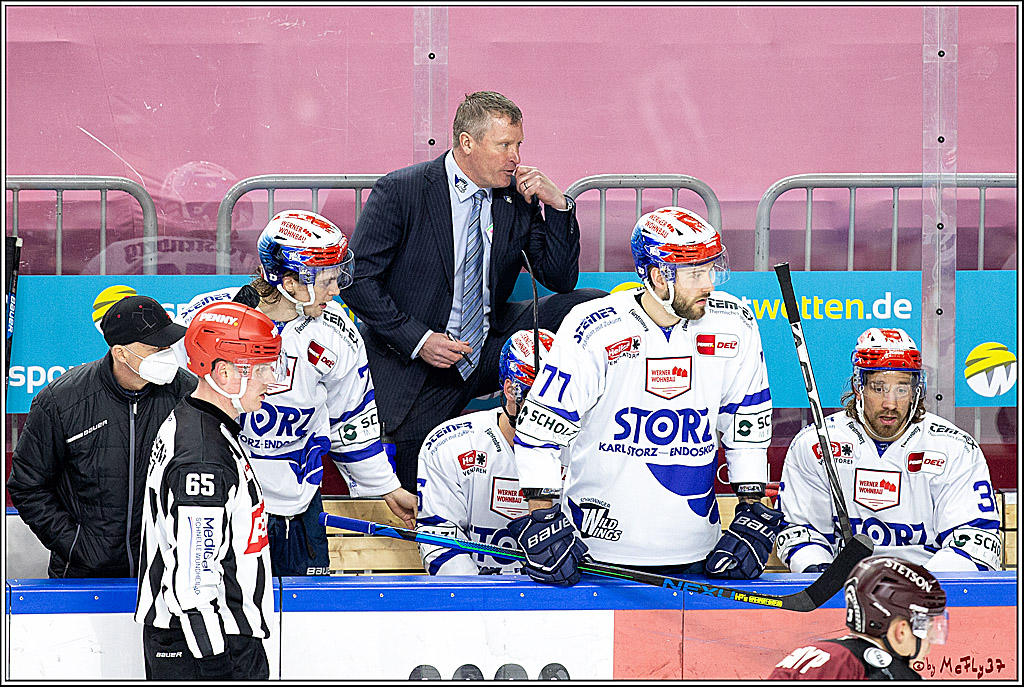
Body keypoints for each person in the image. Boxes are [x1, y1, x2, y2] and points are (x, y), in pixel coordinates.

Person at [342, 90, 606, 494]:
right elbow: (358, 281)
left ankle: (597, 415)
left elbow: (559, 278)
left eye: (518, 145)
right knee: (418, 481)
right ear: (467, 143)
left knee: (588, 306)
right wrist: (420, 341)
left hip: (488, 342)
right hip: (423, 355)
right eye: (504, 145)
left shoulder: (514, 199)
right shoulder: (402, 191)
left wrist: (559, 207)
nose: (516, 157)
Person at [509, 206, 780, 586]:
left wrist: (752, 507)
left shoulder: (735, 322)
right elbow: (540, 431)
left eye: (710, 269)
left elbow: (746, 426)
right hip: (598, 555)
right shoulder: (594, 328)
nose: (709, 284)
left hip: (696, 551)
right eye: (694, 273)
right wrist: (543, 518)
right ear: (657, 276)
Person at [171, 210, 417, 577]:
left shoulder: (337, 333)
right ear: (289, 281)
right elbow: (155, 371)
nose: (336, 291)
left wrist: (386, 486)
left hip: (300, 505)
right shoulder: (212, 317)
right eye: (327, 281)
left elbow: (351, 419)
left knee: (306, 621)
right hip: (223, 499)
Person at [136, 302, 283, 680]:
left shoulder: (200, 421)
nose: (271, 380)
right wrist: (216, 666)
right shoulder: (203, 460)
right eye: (263, 368)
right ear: (224, 373)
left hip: (206, 639)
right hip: (205, 647)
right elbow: (194, 582)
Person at [776, 327, 1002, 573]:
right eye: (878, 387)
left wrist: (914, 587)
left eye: (901, 389)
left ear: (917, 390)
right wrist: (822, 579)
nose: (890, 403)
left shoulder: (954, 448)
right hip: (844, 590)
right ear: (858, 386)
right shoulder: (817, 444)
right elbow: (801, 532)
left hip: (931, 591)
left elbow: (975, 541)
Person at [7, 295, 196, 578]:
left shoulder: (187, 393)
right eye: (154, 347)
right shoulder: (60, 401)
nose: (166, 353)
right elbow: (28, 486)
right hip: (84, 575)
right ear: (120, 353)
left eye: (167, 345)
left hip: (166, 574)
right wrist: (76, 546)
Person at [416, 328, 555, 575]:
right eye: (538, 399)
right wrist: (482, 592)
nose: (549, 412)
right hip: (479, 602)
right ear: (510, 390)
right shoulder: (451, 443)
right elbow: (438, 539)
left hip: (560, 601)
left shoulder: (583, 445)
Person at [769, 555, 947, 680]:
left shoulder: (808, 653)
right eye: (925, 630)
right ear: (900, 630)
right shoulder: (879, 672)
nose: (929, 647)